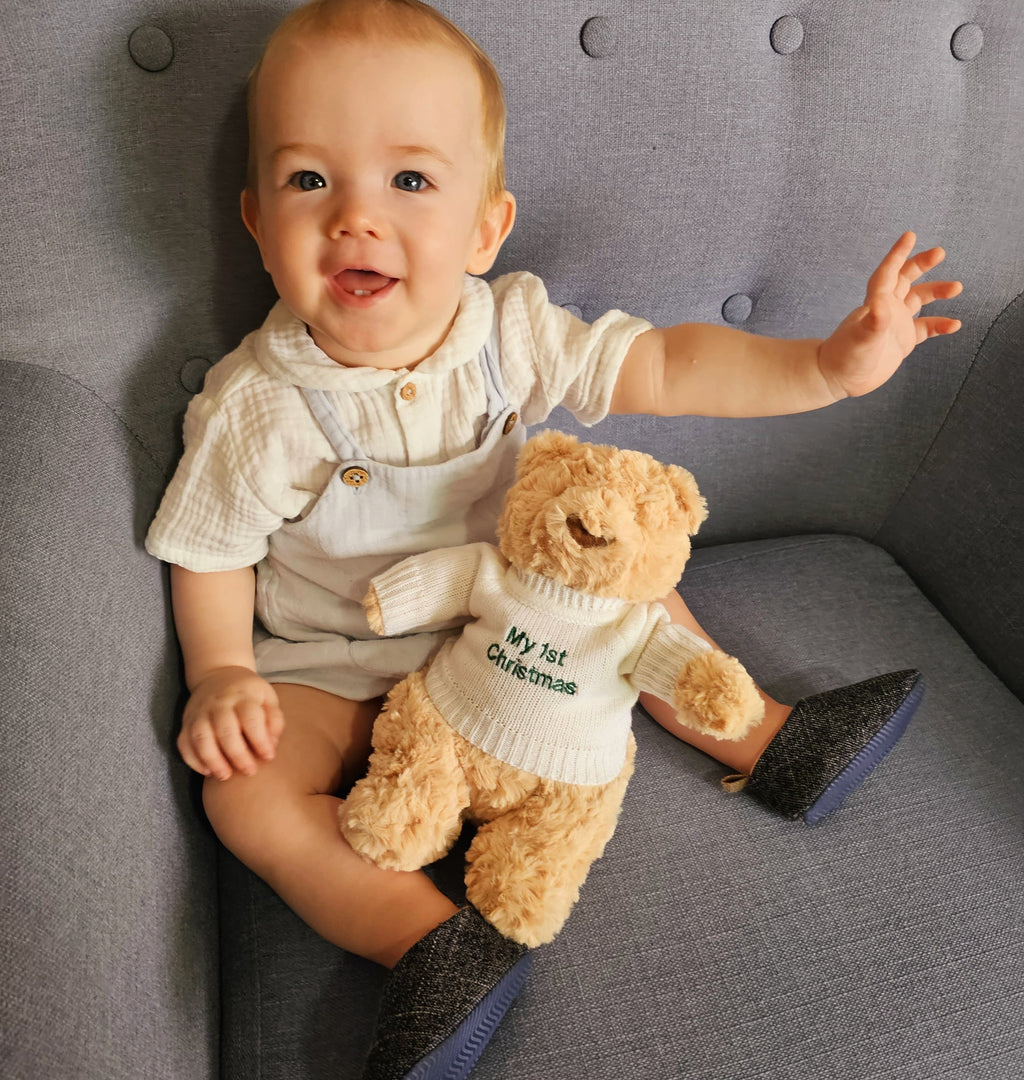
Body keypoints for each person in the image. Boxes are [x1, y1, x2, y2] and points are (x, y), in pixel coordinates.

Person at [144, 1, 964, 1076]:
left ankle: (770, 739)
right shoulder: (256, 405)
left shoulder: (510, 331)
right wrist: (221, 674)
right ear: (256, 220)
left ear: (486, 229)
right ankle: (431, 948)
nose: (355, 218)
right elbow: (209, 550)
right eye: (310, 182)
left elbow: (668, 366)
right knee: (242, 795)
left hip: (516, 628)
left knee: (627, 604)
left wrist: (826, 368)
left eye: (410, 181)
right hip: (335, 672)